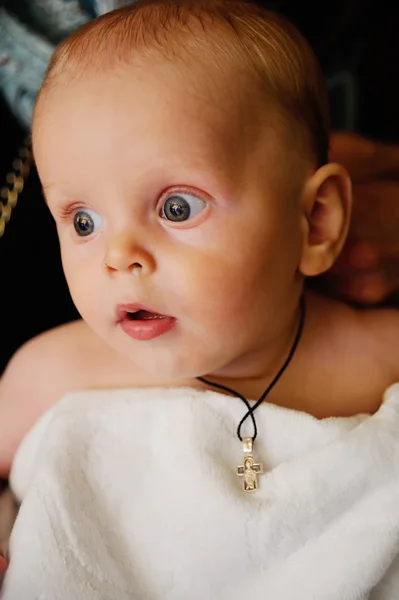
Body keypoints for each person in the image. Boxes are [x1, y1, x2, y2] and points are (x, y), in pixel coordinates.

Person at [1, 1, 399, 597]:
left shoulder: (376, 356)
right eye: (83, 221)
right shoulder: (49, 372)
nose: (117, 256)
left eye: (177, 207)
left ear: (315, 223)